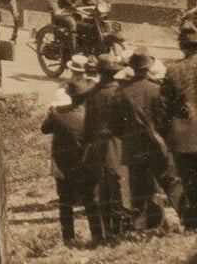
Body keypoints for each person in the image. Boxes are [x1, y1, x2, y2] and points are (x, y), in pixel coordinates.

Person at [158, 23, 197, 229]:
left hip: (183, 137)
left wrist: (166, 132)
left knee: (190, 183)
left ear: (182, 47)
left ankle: (194, 225)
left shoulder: (173, 71)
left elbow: (163, 107)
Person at [115, 50, 181, 232]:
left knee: (138, 190)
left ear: (132, 68)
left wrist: (127, 135)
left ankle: (143, 228)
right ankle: (188, 221)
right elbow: (166, 120)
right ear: (148, 68)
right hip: (157, 145)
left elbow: (114, 125)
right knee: (170, 183)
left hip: (133, 147)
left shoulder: (120, 92)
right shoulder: (157, 90)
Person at [80, 54, 129, 243]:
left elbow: (88, 124)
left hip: (96, 145)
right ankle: (119, 229)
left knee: (101, 189)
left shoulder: (92, 94)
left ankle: (105, 229)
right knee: (118, 184)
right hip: (116, 143)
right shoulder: (120, 92)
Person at [40, 82, 88, 245]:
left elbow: (44, 129)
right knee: (89, 199)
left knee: (65, 202)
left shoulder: (56, 115)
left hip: (62, 165)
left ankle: (68, 236)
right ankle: (97, 233)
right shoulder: (86, 116)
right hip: (84, 163)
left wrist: (50, 112)